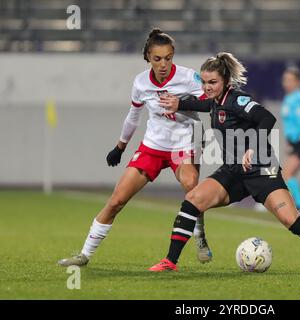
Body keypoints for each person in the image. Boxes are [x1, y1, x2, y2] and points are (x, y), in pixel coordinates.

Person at [150, 52, 300, 274]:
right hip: (233, 172)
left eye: (213, 82)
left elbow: (267, 118)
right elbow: (204, 104)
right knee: (192, 200)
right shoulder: (216, 102)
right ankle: (170, 261)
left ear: (226, 81)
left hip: (261, 169)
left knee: (291, 220)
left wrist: (252, 147)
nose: (207, 87)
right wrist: (178, 103)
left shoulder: (238, 99)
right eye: (205, 82)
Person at [58, 28, 212, 267]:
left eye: (168, 58)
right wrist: (120, 147)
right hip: (152, 146)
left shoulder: (188, 77)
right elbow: (133, 116)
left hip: (183, 145)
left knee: (192, 189)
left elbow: (209, 103)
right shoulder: (141, 82)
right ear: (148, 57)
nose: (163, 64)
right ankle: (84, 255)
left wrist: (181, 104)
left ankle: (199, 235)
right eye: (157, 58)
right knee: (117, 201)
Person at [276, 66, 300, 215]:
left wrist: (294, 140)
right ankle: (297, 206)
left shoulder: (299, 97)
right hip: (294, 141)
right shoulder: (288, 98)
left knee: (287, 174)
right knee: (287, 175)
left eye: (290, 80)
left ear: (298, 82)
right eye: (285, 80)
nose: (286, 83)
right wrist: (288, 141)